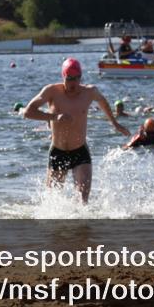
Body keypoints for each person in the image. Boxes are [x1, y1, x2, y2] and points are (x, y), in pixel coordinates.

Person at [22, 58, 130, 203]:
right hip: (58, 151)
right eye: (69, 79)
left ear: (81, 77)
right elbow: (28, 112)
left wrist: (115, 123)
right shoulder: (51, 91)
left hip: (80, 152)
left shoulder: (89, 92)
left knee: (82, 201)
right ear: (63, 77)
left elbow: (103, 102)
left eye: (76, 78)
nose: (73, 83)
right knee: (52, 202)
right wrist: (55, 117)